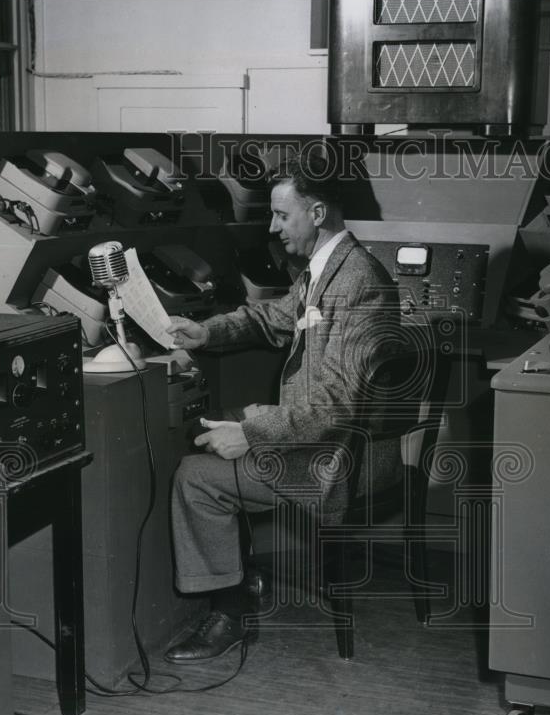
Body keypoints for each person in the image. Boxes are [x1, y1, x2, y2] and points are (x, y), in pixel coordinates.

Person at [163, 150, 401, 663]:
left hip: (339, 461)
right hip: (332, 444)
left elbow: (336, 404)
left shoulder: (359, 284)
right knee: (221, 433)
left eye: (280, 215)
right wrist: (207, 331)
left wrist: (252, 432)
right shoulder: (327, 270)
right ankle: (244, 578)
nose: (272, 228)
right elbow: (271, 317)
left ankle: (230, 612)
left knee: (195, 475)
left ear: (316, 214)